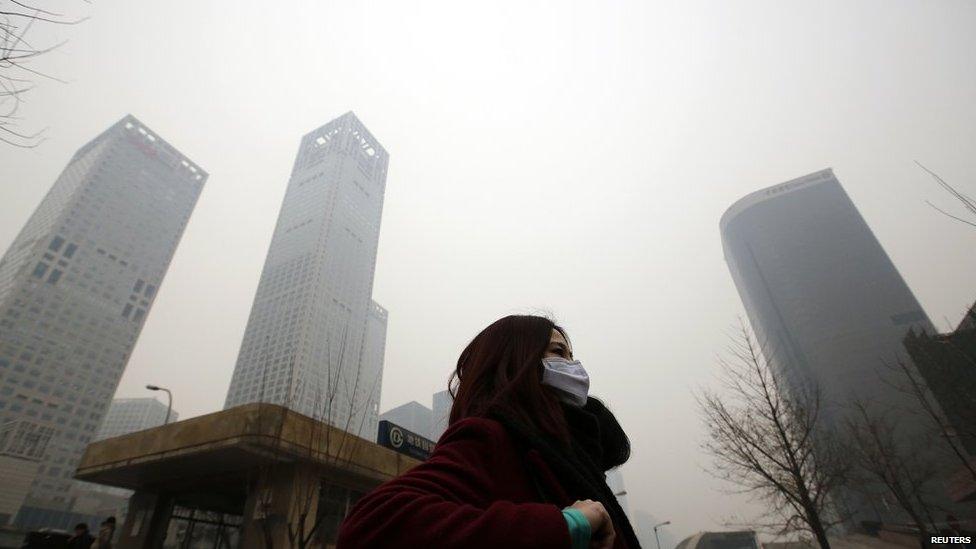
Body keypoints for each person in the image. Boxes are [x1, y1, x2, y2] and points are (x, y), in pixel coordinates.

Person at [337, 315, 641, 548]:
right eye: (558, 351)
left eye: (571, 355)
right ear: (515, 362)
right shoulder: (493, 438)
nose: (573, 366)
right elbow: (372, 525)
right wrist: (565, 525)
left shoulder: (578, 456)